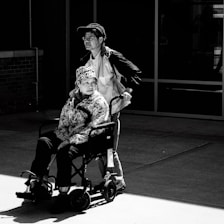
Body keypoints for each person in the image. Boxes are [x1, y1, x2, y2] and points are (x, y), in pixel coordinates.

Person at [16, 65, 109, 213]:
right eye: (86, 82)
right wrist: (61, 136)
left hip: (88, 139)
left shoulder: (99, 102)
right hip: (68, 134)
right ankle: (39, 181)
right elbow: (64, 121)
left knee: (64, 153)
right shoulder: (72, 99)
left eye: (93, 82)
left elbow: (95, 127)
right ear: (78, 83)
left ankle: (63, 195)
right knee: (44, 142)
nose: (91, 86)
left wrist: (70, 140)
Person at [75, 22, 142, 191]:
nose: (86, 41)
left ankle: (117, 180)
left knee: (108, 148)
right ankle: (108, 180)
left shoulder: (111, 57)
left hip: (111, 111)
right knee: (98, 150)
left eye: (91, 37)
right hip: (93, 113)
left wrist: (128, 90)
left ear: (101, 39)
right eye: (85, 38)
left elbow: (134, 73)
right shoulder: (85, 61)